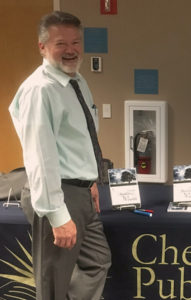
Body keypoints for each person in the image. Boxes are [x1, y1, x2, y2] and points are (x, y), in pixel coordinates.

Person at [9, 11, 111, 300]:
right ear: (42, 47)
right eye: (60, 43)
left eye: (76, 42)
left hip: (79, 192)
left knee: (98, 262)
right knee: (54, 282)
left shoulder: (76, 80)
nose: (70, 50)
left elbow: (79, 139)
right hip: (57, 194)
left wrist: (90, 180)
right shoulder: (40, 90)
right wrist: (56, 214)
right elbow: (40, 156)